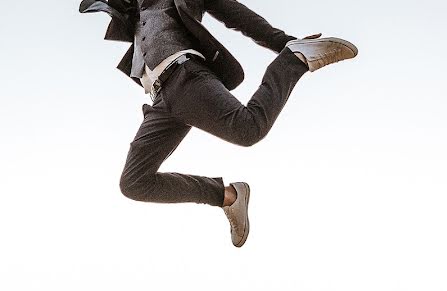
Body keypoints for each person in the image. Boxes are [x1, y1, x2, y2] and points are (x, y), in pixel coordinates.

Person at [80, 0, 357, 247]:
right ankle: (228, 196)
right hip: (161, 101)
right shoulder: (134, 11)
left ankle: (293, 60)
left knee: (248, 129)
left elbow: (236, 15)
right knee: (134, 183)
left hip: (186, 75)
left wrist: (283, 42)